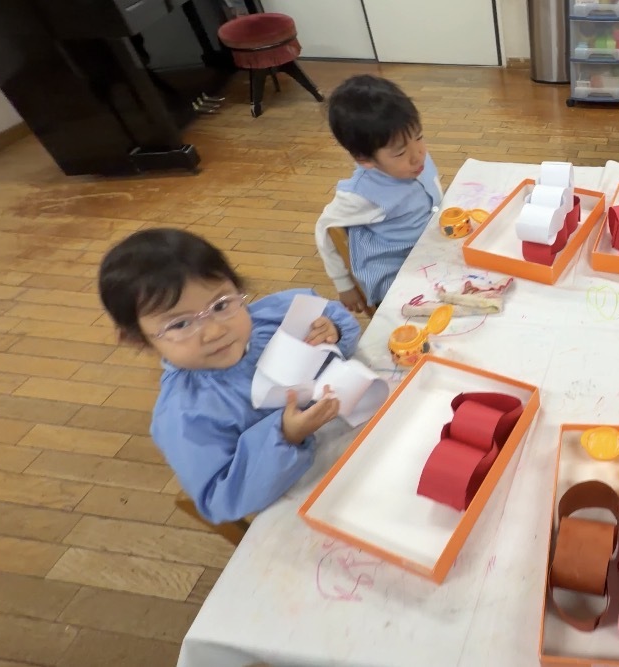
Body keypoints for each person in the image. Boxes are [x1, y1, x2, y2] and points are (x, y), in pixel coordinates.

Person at [98, 228, 361, 524]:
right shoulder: (185, 415)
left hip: (359, 440)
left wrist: (333, 332)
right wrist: (286, 436)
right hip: (310, 497)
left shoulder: (273, 318)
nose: (214, 331)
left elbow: (335, 316)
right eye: (180, 324)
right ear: (139, 340)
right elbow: (221, 498)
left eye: (221, 305)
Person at [315, 74, 443, 314]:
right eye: (400, 152)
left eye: (419, 137)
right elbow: (325, 229)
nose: (418, 155)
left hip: (431, 251)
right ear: (364, 159)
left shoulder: (414, 158)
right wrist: (344, 285)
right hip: (396, 278)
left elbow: (432, 192)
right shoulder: (361, 195)